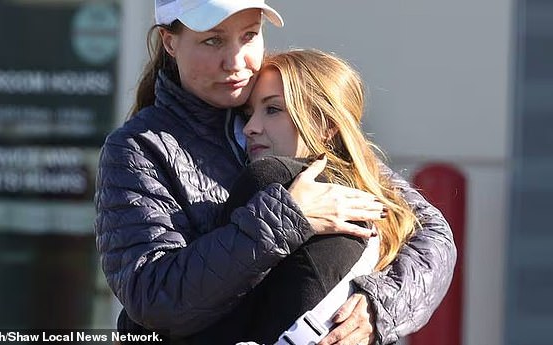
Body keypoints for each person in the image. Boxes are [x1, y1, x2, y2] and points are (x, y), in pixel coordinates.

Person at [94, 1, 457, 344]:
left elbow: (431, 236)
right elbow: (153, 295)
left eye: (249, 35)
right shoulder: (137, 148)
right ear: (169, 42)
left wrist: (378, 307)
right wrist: (288, 217)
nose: (236, 61)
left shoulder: (294, 109)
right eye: (213, 40)